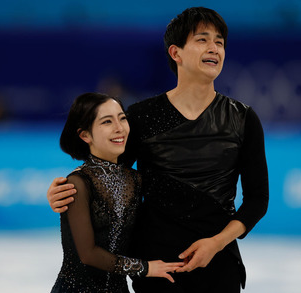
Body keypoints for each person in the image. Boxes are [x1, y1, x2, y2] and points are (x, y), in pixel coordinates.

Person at [48, 7, 269, 293]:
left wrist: (216, 243)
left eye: (220, 42)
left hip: (218, 264)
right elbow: (111, 176)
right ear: (176, 53)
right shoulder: (142, 116)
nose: (214, 48)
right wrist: (70, 189)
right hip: (155, 267)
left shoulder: (243, 118)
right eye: (202, 40)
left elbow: (257, 200)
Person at [50, 92, 184, 293]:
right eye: (107, 122)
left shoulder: (135, 179)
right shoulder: (78, 183)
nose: (119, 128)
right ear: (85, 135)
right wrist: (145, 268)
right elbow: (88, 254)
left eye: (122, 118)